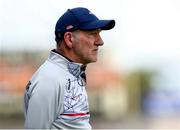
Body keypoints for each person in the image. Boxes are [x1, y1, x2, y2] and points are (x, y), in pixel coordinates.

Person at [24, 7, 115, 129]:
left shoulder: (69, 74)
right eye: (93, 34)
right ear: (69, 39)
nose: (100, 41)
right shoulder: (50, 80)